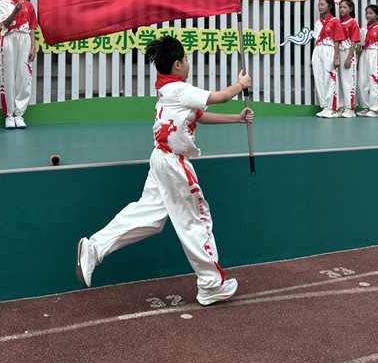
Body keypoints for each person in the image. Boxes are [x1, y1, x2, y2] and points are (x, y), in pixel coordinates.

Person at [75, 36, 253, 306]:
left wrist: (236, 119)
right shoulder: (180, 90)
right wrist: (241, 84)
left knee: (149, 216)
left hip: (160, 159)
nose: (189, 64)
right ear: (178, 63)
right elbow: (220, 97)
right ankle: (210, 285)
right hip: (174, 165)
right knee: (196, 221)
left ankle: (95, 247)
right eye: (187, 59)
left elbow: (199, 116)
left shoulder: (167, 90)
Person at [0, 0, 38, 130]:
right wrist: (15, 10)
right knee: (7, 77)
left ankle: (19, 114)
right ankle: (9, 115)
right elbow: (3, 25)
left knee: (23, 76)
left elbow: (33, 27)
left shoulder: (29, 5)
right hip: (9, 38)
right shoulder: (3, 4)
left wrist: (33, 46)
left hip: (24, 39)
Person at [311, 0, 346, 118]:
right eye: (318, 5)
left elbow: (337, 41)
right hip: (318, 50)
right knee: (319, 79)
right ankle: (325, 106)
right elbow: (316, 40)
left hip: (329, 49)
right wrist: (314, 56)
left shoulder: (335, 21)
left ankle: (332, 108)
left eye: (322, 4)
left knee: (330, 78)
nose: (319, 7)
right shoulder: (318, 23)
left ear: (330, 6)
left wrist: (336, 58)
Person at [357, 4, 378, 117]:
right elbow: (361, 45)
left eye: (371, 13)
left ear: (377, 15)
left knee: (374, 81)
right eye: (367, 13)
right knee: (362, 81)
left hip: (376, 54)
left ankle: (375, 109)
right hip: (365, 54)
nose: (368, 15)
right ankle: (366, 107)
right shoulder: (363, 29)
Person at [337, 0, 360, 118]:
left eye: (344, 7)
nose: (341, 9)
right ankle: (341, 106)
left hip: (347, 53)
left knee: (348, 81)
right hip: (338, 53)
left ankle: (350, 108)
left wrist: (349, 57)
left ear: (350, 9)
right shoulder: (337, 22)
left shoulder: (353, 23)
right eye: (340, 7)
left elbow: (354, 42)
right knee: (339, 82)